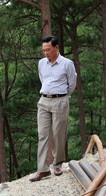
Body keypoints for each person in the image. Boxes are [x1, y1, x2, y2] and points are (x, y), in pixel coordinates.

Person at [31, 35, 77, 182]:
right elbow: (42, 79)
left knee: (58, 133)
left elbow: (72, 83)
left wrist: (64, 96)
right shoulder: (41, 63)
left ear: (57, 48)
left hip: (60, 100)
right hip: (44, 100)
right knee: (42, 134)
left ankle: (57, 164)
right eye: (44, 50)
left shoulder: (67, 64)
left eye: (48, 50)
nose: (46, 53)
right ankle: (43, 169)